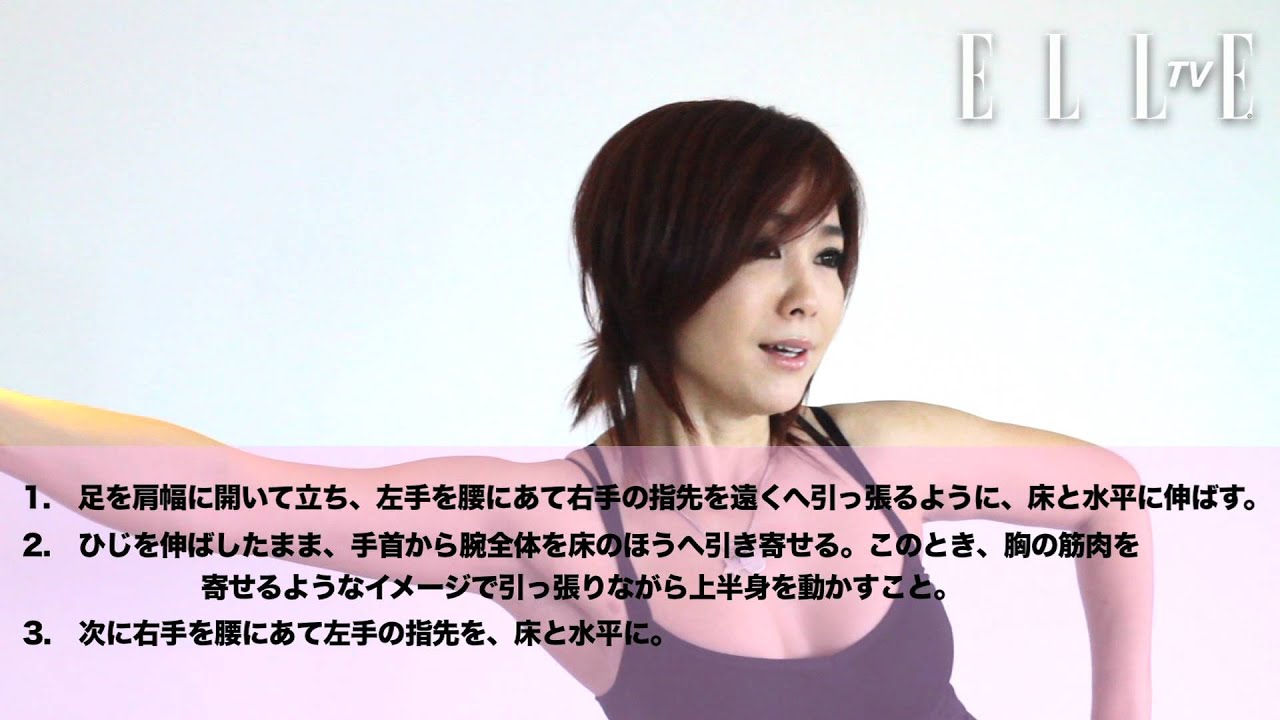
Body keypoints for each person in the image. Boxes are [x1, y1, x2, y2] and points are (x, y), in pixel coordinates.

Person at [0, 99, 1152, 719]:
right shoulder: (555, 534)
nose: (808, 296)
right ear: (657, 262)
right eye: (762, 250)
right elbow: (229, 502)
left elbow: (1105, 495)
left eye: (830, 254)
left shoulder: (875, 457)